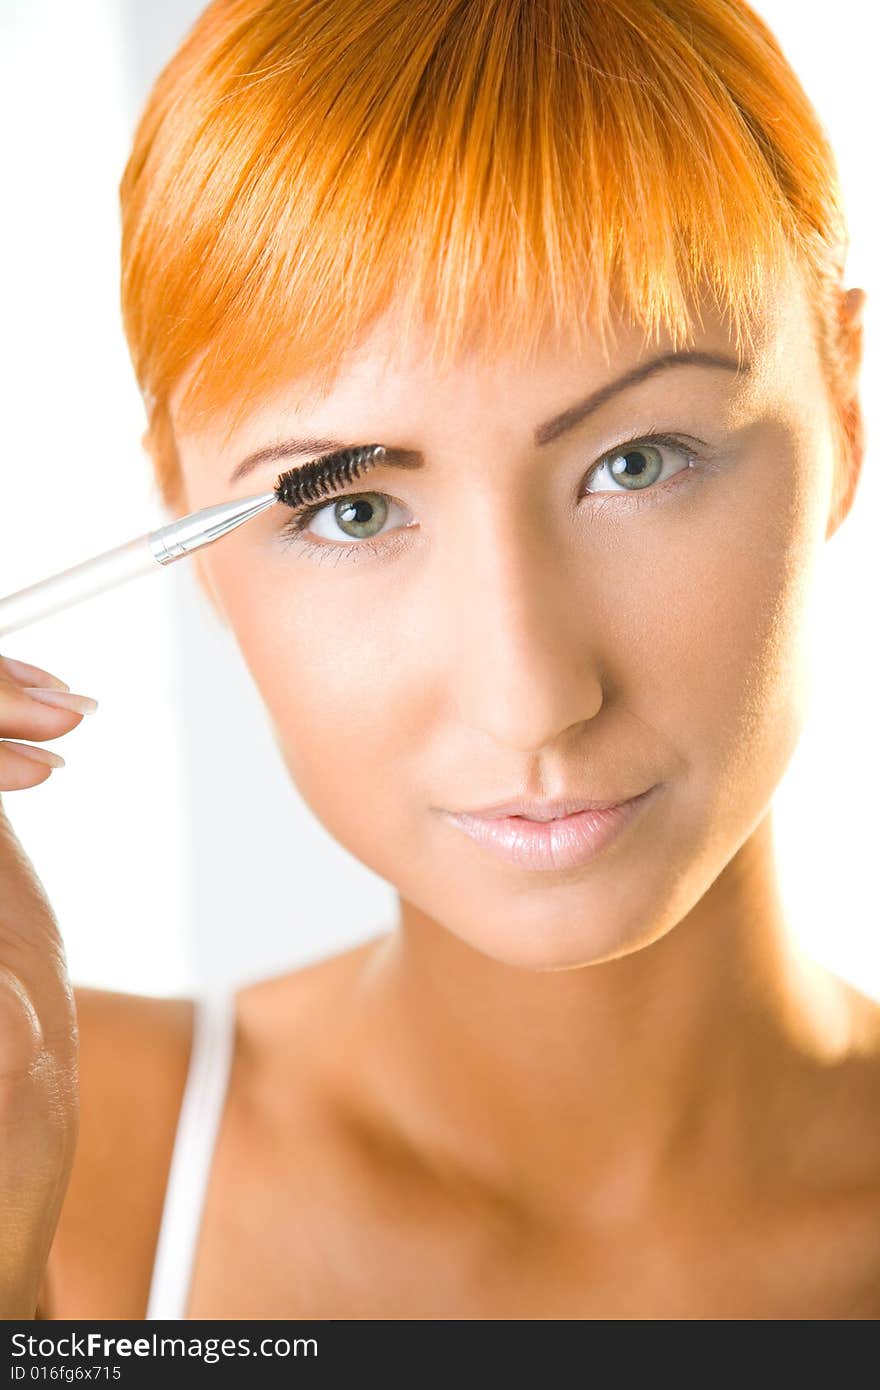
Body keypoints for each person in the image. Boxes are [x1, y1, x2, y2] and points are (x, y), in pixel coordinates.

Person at [1, 0, 877, 1319]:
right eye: (349, 509)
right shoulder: (59, 1166)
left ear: (849, 409)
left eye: (635, 463)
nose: (533, 694)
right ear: (186, 532)